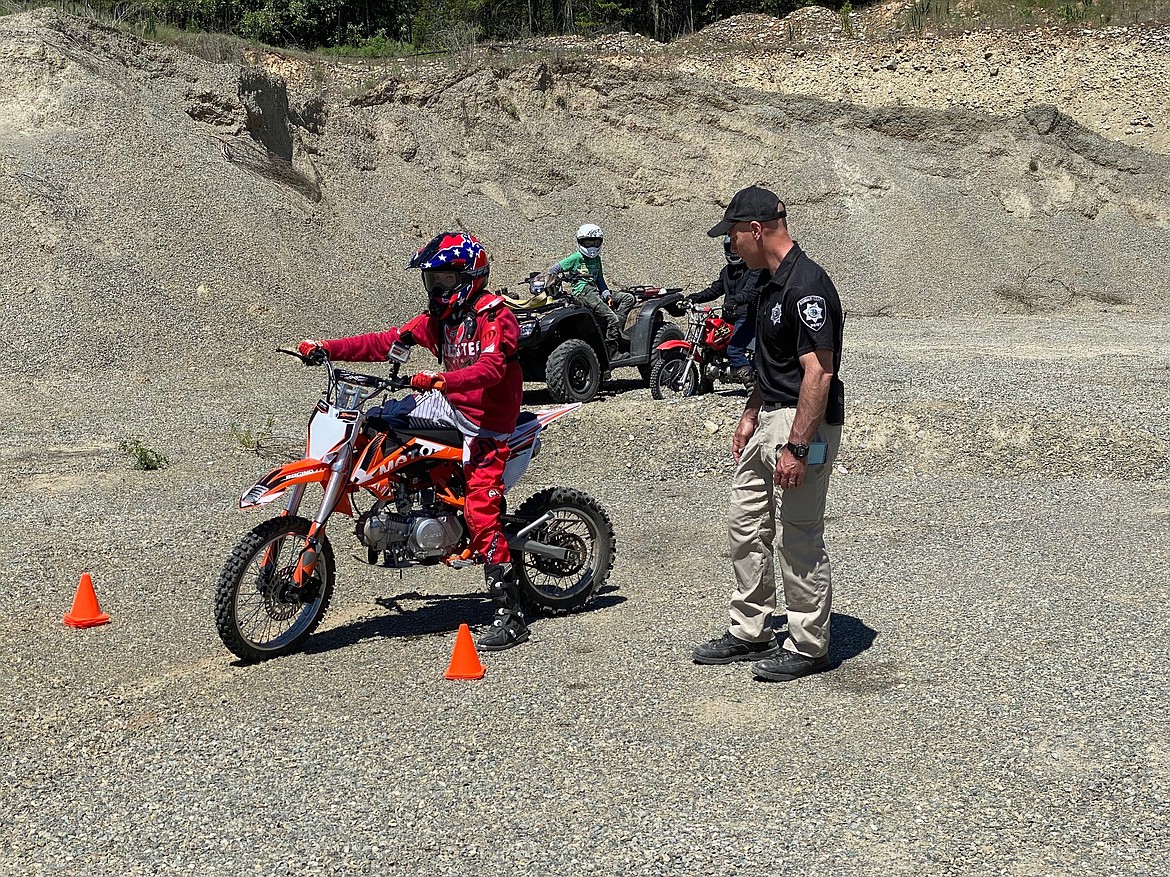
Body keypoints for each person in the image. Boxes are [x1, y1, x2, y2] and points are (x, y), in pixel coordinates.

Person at [298, 231, 530, 651]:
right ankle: (406, 500)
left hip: (487, 423)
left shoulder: (495, 316)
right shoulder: (440, 322)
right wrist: (325, 348)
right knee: (377, 422)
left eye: (443, 282)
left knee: (481, 514)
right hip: (446, 404)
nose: (436, 291)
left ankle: (510, 614)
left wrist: (444, 379)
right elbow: (386, 341)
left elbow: (493, 368)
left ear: (468, 278)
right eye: (431, 283)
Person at [691, 186, 846, 682]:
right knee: (746, 525)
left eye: (734, 234)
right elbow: (773, 363)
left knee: (799, 534)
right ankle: (750, 629)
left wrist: (798, 447)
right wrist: (750, 411)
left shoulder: (808, 287)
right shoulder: (769, 284)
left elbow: (818, 374)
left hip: (803, 421)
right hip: (770, 415)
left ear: (756, 230)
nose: (731, 245)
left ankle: (807, 643)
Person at [674, 234, 763, 384]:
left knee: (734, 349)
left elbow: (750, 292)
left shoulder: (754, 268)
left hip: (747, 316)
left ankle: (751, 385)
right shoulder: (727, 271)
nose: (734, 251)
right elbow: (714, 290)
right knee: (710, 346)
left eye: (737, 248)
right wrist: (694, 297)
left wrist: (735, 300)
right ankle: (705, 385)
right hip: (728, 316)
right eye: (731, 248)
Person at [547, 223, 636, 358]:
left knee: (628, 298)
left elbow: (599, 279)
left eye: (595, 242)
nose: (592, 246)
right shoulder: (576, 257)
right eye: (588, 243)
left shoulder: (597, 259)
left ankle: (617, 326)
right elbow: (554, 269)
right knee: (611, 318)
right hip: (584, 292)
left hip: (595, 291)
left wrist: (606, 294)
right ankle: (612, 352)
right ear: (580, 242)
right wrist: (556, 281)